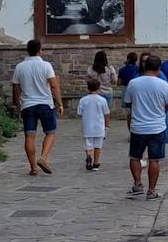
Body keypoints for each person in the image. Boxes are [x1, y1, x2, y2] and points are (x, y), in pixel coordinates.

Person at [124, 55, 168, 200]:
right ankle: (152, 190)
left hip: (138, 126)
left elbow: (128, 104)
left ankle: (138, 184)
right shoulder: (163, 85)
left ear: (145, 66)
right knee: (154, 160)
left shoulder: (133, 83)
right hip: (157, 127)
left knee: (135, 157)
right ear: (159, 69)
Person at [11, 39, 64, 176]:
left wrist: (17, 104)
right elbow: (53, 85)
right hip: (45, 104)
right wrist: (59, 103)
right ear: (40, 51)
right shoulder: (46, 65)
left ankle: (33, 167)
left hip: (28, 105)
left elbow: (16, 88)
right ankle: (44, 158)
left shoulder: (20, 67)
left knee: (29, 136)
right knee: (50, 132)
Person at [77, 78, 110, 171]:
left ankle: (88, 156)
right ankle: (96, 163)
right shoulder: (102, 100)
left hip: (87, 125)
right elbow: (106, 114)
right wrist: (107, 125)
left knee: (88, 143)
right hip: (99, 126)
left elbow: (80, 113)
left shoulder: (83, 100)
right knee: (98, 146)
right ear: (99, 87)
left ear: (88, 88)